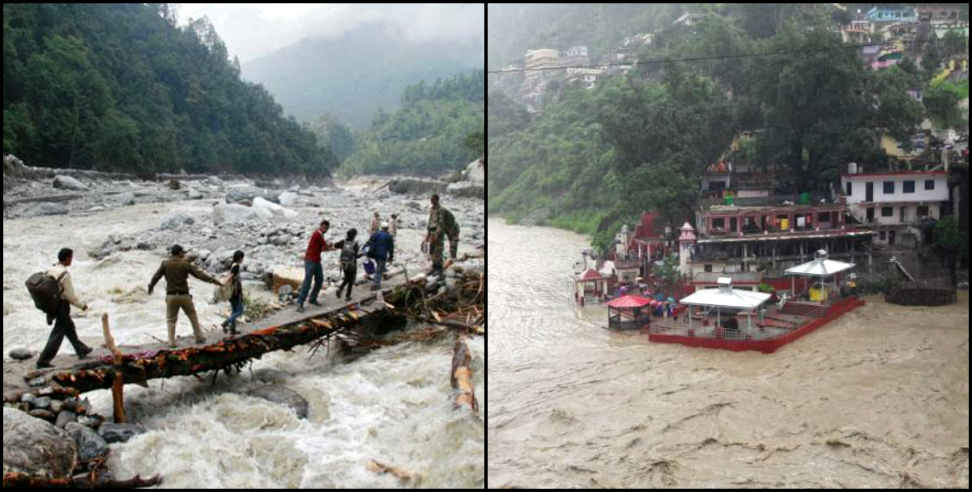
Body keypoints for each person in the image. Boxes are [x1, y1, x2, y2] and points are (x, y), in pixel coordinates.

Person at [148, 244, 222, 347]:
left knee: (171, 320)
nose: (184, 254)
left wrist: (151, 286)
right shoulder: (185, 264)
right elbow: (200, 275)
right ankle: (199, 337)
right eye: (182, 252)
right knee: (192, 316)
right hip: (184, 296)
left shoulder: (165, 264)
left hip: (171, 296)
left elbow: (156, 276)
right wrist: (214, 281)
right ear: (179, 253)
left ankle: (171, 342)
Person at [36, 248, 93, 368]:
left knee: (69, 327)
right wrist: (82, 305)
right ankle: (43, 360)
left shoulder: (51, 269)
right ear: (67, 258)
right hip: (62, 305)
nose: (71, 260)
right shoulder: (64, 274)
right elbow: (69, 296)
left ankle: (81, 349)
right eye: (71, 257)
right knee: (58, 334)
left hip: (53, 304)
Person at [296, 219, 337, 313]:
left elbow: (322, 249)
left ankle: (312, 298)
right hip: (310, 261)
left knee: (319, 279)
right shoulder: (318, 234)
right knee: (307, 282)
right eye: (325, 227)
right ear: (322, 226)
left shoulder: (319, 235)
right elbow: (326, 247)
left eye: (326, 228)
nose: (325, 229)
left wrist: (330, 247)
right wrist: (333, 247)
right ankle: (300, 302)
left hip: (316, 261)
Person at [423, 194, 459, 276]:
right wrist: (428, 235)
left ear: (437, 200)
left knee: (441, 247)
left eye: (433, 200)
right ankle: (434, 266)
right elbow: (430, 222)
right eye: (430, 199)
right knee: (432, 247)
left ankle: (440, 267)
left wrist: (436, 235)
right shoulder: (432, 209)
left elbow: (441, 224)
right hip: (438, 229)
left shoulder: (441, 210)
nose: (431, 201)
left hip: (451, 229)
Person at [363, 222, 395, 291]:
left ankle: (384, 274)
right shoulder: (388, 236)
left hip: (374, 254)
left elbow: (369, 242)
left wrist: (365, 250)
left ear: (381, 228)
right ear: (387, 228)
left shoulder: (376, 234)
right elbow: (391, 248)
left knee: (380, 266)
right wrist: (391, 257)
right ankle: (376, 284)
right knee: (379, 269)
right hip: (382, 254)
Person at [221, 250, 245, 335]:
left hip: (231, 292)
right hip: (236, 292)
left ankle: (233, 329)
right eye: (242, 258)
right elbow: (231, 276)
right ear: (240, 258)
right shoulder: (236, 266)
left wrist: (223, 283)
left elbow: (229, 275)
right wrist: (223, 283)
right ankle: (226, 323)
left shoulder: (232, 264)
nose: (243, 260)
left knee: (234, 310)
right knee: (240, 311)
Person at [335, 228, 362, 301]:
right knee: (350, 279)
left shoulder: (343, 242)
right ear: (354, 236)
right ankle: (347, 296)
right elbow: (356, 256)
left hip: (343, 263)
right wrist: (362, 254)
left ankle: (340, 290)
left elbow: (335, 245)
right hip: (352, 264)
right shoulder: (355, 244)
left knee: (347, 277)